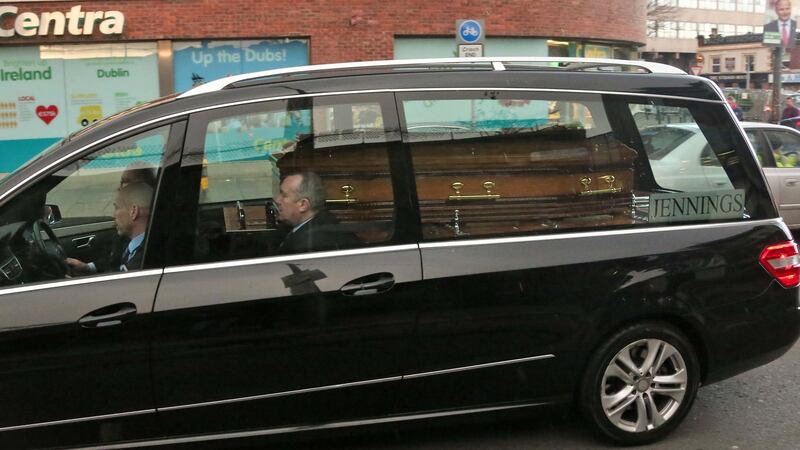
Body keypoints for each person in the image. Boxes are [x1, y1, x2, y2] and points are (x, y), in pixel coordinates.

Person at [66, 163, 157, 274]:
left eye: (127, 182)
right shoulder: (131, 235)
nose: (120, 187)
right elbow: (114, 261)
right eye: (121, 182)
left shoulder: (145, 254)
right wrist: (88, 267)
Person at [274, 171, 359, 255]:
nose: (277, 200)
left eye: (284, 195)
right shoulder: (326, 222)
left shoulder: (309, 244)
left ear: (303, 205)